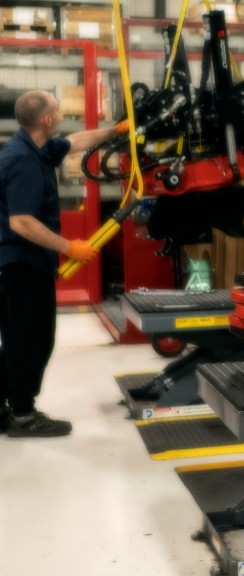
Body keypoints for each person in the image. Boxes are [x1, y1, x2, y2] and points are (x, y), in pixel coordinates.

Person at [0, 90, 119, 437]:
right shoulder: (23, 160)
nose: (62, 114)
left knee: (15, 338)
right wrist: (71, 247)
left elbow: (75, 141)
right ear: (47, 119)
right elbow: (21, 222)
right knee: (32, 340)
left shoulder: (33, 147)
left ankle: (3, 406)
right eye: (58, 110)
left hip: (15, 264)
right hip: (21, 265)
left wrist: (115, 132)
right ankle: (23, 415)